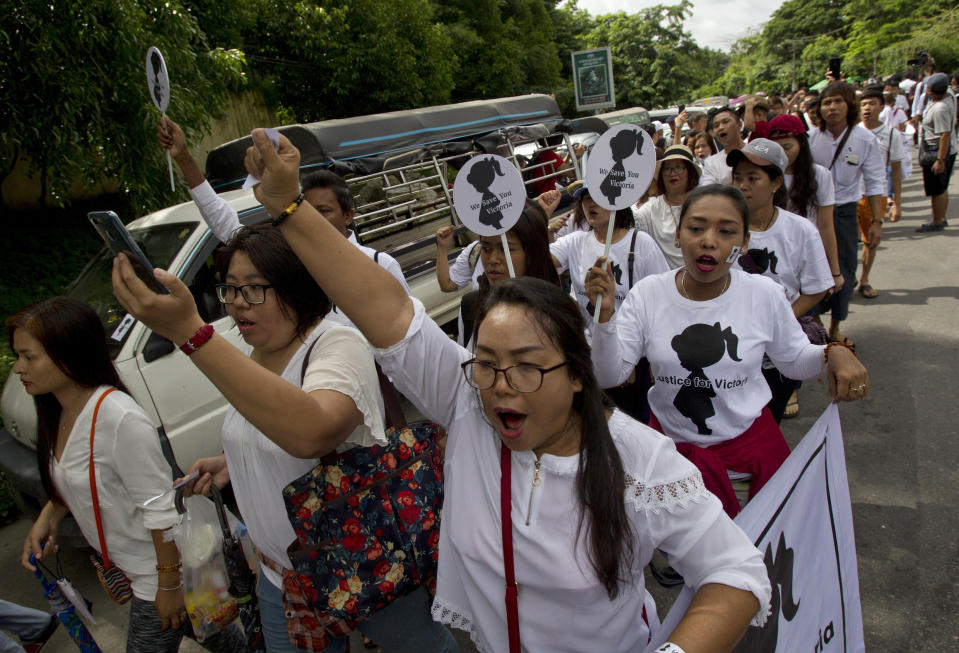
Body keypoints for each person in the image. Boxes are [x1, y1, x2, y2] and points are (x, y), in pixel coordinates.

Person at [202, 127, 776, 653]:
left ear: (577, 375)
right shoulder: (467, 405)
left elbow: (736, 573)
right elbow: (385, 309)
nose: (502, 389)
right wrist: (287, 206)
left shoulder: (638, 457)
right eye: (486, 363)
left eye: (528, 367)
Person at [112, 224, 457, 653]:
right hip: (281, 577)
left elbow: (311, 431)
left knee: (422, 647)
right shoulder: (256, 351)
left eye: (254, 288)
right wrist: (229, 461)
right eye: (231, 289)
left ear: (297, 285)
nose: (238, 303)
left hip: (358, 558)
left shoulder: (337, 344)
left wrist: (190, 332)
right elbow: (267, 426)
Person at [586, 184, 868, 519]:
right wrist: (604, 320)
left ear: (745, 242)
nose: (709, 240)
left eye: (726, 231)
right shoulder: (649, 294)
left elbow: (793, 361)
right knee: (677, 569)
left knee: (748, 557)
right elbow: (608, 374)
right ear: (678, 236)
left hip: (746, 469)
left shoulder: (763, 293)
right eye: (696, 228)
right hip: (670, 464)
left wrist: (831, 353)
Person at [11, 297, 247, 653]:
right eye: (18, 356)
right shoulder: (58, 413)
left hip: (157, 577)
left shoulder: (117, 417)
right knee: (227, 644)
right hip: (137, 571)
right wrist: (49, 515)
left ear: (69, 354)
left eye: (29, 357)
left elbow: (161, 509)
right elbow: (76, 471)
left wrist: (168, 589)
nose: (18, 368)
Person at [157, 117, 410, 308]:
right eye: (308, 210)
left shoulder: (380, 265)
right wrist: (184, 158)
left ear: (348, 216)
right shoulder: (292, 262)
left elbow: (407, 336)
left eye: (325, 211)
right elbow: (226, 225)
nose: (314, 219)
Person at [727, 140, 833, 422]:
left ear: (775, 183)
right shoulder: (721, 227)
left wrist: (779, 319)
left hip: (777, 349)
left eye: (752, 178)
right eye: (737, 177)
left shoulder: (799, 230)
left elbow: (817, 288)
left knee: (767, 421)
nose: (742, 185)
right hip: (729, 345)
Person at [808, 82, 886, 348]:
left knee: (844, 270)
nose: (832, 107)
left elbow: (876, 182)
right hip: (813, 212)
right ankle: (815, 323)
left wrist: (877, 220)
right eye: (827, 102)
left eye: (838, 101)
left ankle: (836, 327)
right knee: (812, 267)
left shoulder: (865, 139)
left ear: (849, 104)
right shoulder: (810, 138)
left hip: (844, 212)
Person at [550, 185, 668, 331]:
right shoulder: (574, 242)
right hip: (587, 344)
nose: (591, 203)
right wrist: (542, 214)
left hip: (629, 344)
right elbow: (537, 259)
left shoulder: (641, 244)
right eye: (586, 198)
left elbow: (664, 297)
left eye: (599, 197)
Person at [457, 204, 560, 346]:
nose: (493, 259)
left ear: (533, 252)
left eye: (505, 249)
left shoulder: (558, 311)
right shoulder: (471, 307)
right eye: (486, 248)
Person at [858, 86, 905, 296]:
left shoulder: (892, 134)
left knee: (871, 240)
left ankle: (864, 279)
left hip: (875, 195)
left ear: (882, 106)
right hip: (849, 196)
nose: (867, 108)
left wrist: (897, 202)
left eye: (872, 103)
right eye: (863, 104)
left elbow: (895, 170)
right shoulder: (852, 132)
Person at [633, 144, 701, 269]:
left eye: (679, 167)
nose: (672, 173)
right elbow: (632, 222)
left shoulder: (704, 204)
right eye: (667, 168)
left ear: (690, 172)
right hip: (667, 280)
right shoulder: (652, 207)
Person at [916, 72, 956, 232]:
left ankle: (937, 221)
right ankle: (940, 217)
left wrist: (940, 160)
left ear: (929, 89)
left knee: (937, 189)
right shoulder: (949, 95)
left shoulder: (940, 108)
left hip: (937, 151)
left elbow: (944, 134)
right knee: (941, 187)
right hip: (943, 150)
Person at [699, 107, 745, 185]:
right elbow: (709, 193)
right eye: (716, 126)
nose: (720, 128)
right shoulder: (711, 163)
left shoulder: (755, 151)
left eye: (726, 122)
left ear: (739, 125)